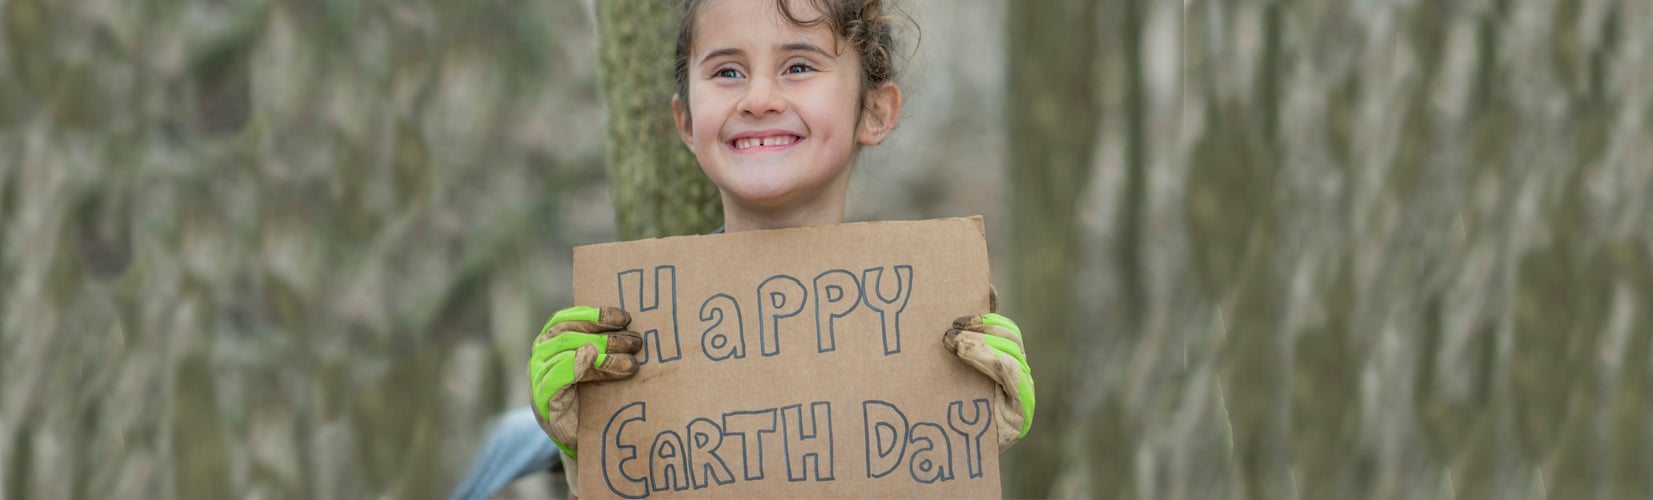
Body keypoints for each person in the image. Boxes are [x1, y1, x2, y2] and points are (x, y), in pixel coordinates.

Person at [451, 0, 1034, 497]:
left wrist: (972, 434)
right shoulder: (626, 340)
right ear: (685, 121)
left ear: (875, 111)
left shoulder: (930, 331)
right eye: (727, 71)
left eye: (799, 66)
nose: (759, 97)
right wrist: (583, 453)